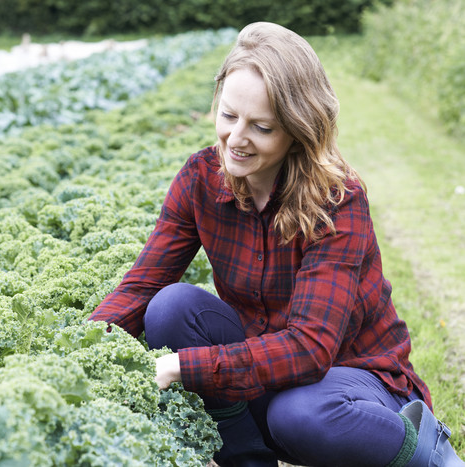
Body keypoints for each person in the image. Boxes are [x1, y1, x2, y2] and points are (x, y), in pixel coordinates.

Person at [89, 22, 464, 467]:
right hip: (265, 375)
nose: (236, 139)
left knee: (299, 413)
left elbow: (309, 348)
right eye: (228, 116)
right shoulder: (200, 179)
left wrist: (179, 368)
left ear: (297, 131)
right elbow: (141, 287)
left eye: (261, 127)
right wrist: (85, 348)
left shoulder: (336, 202)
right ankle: (248, 461)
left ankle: (428, 452)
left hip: (354, 387)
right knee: (171, 307)